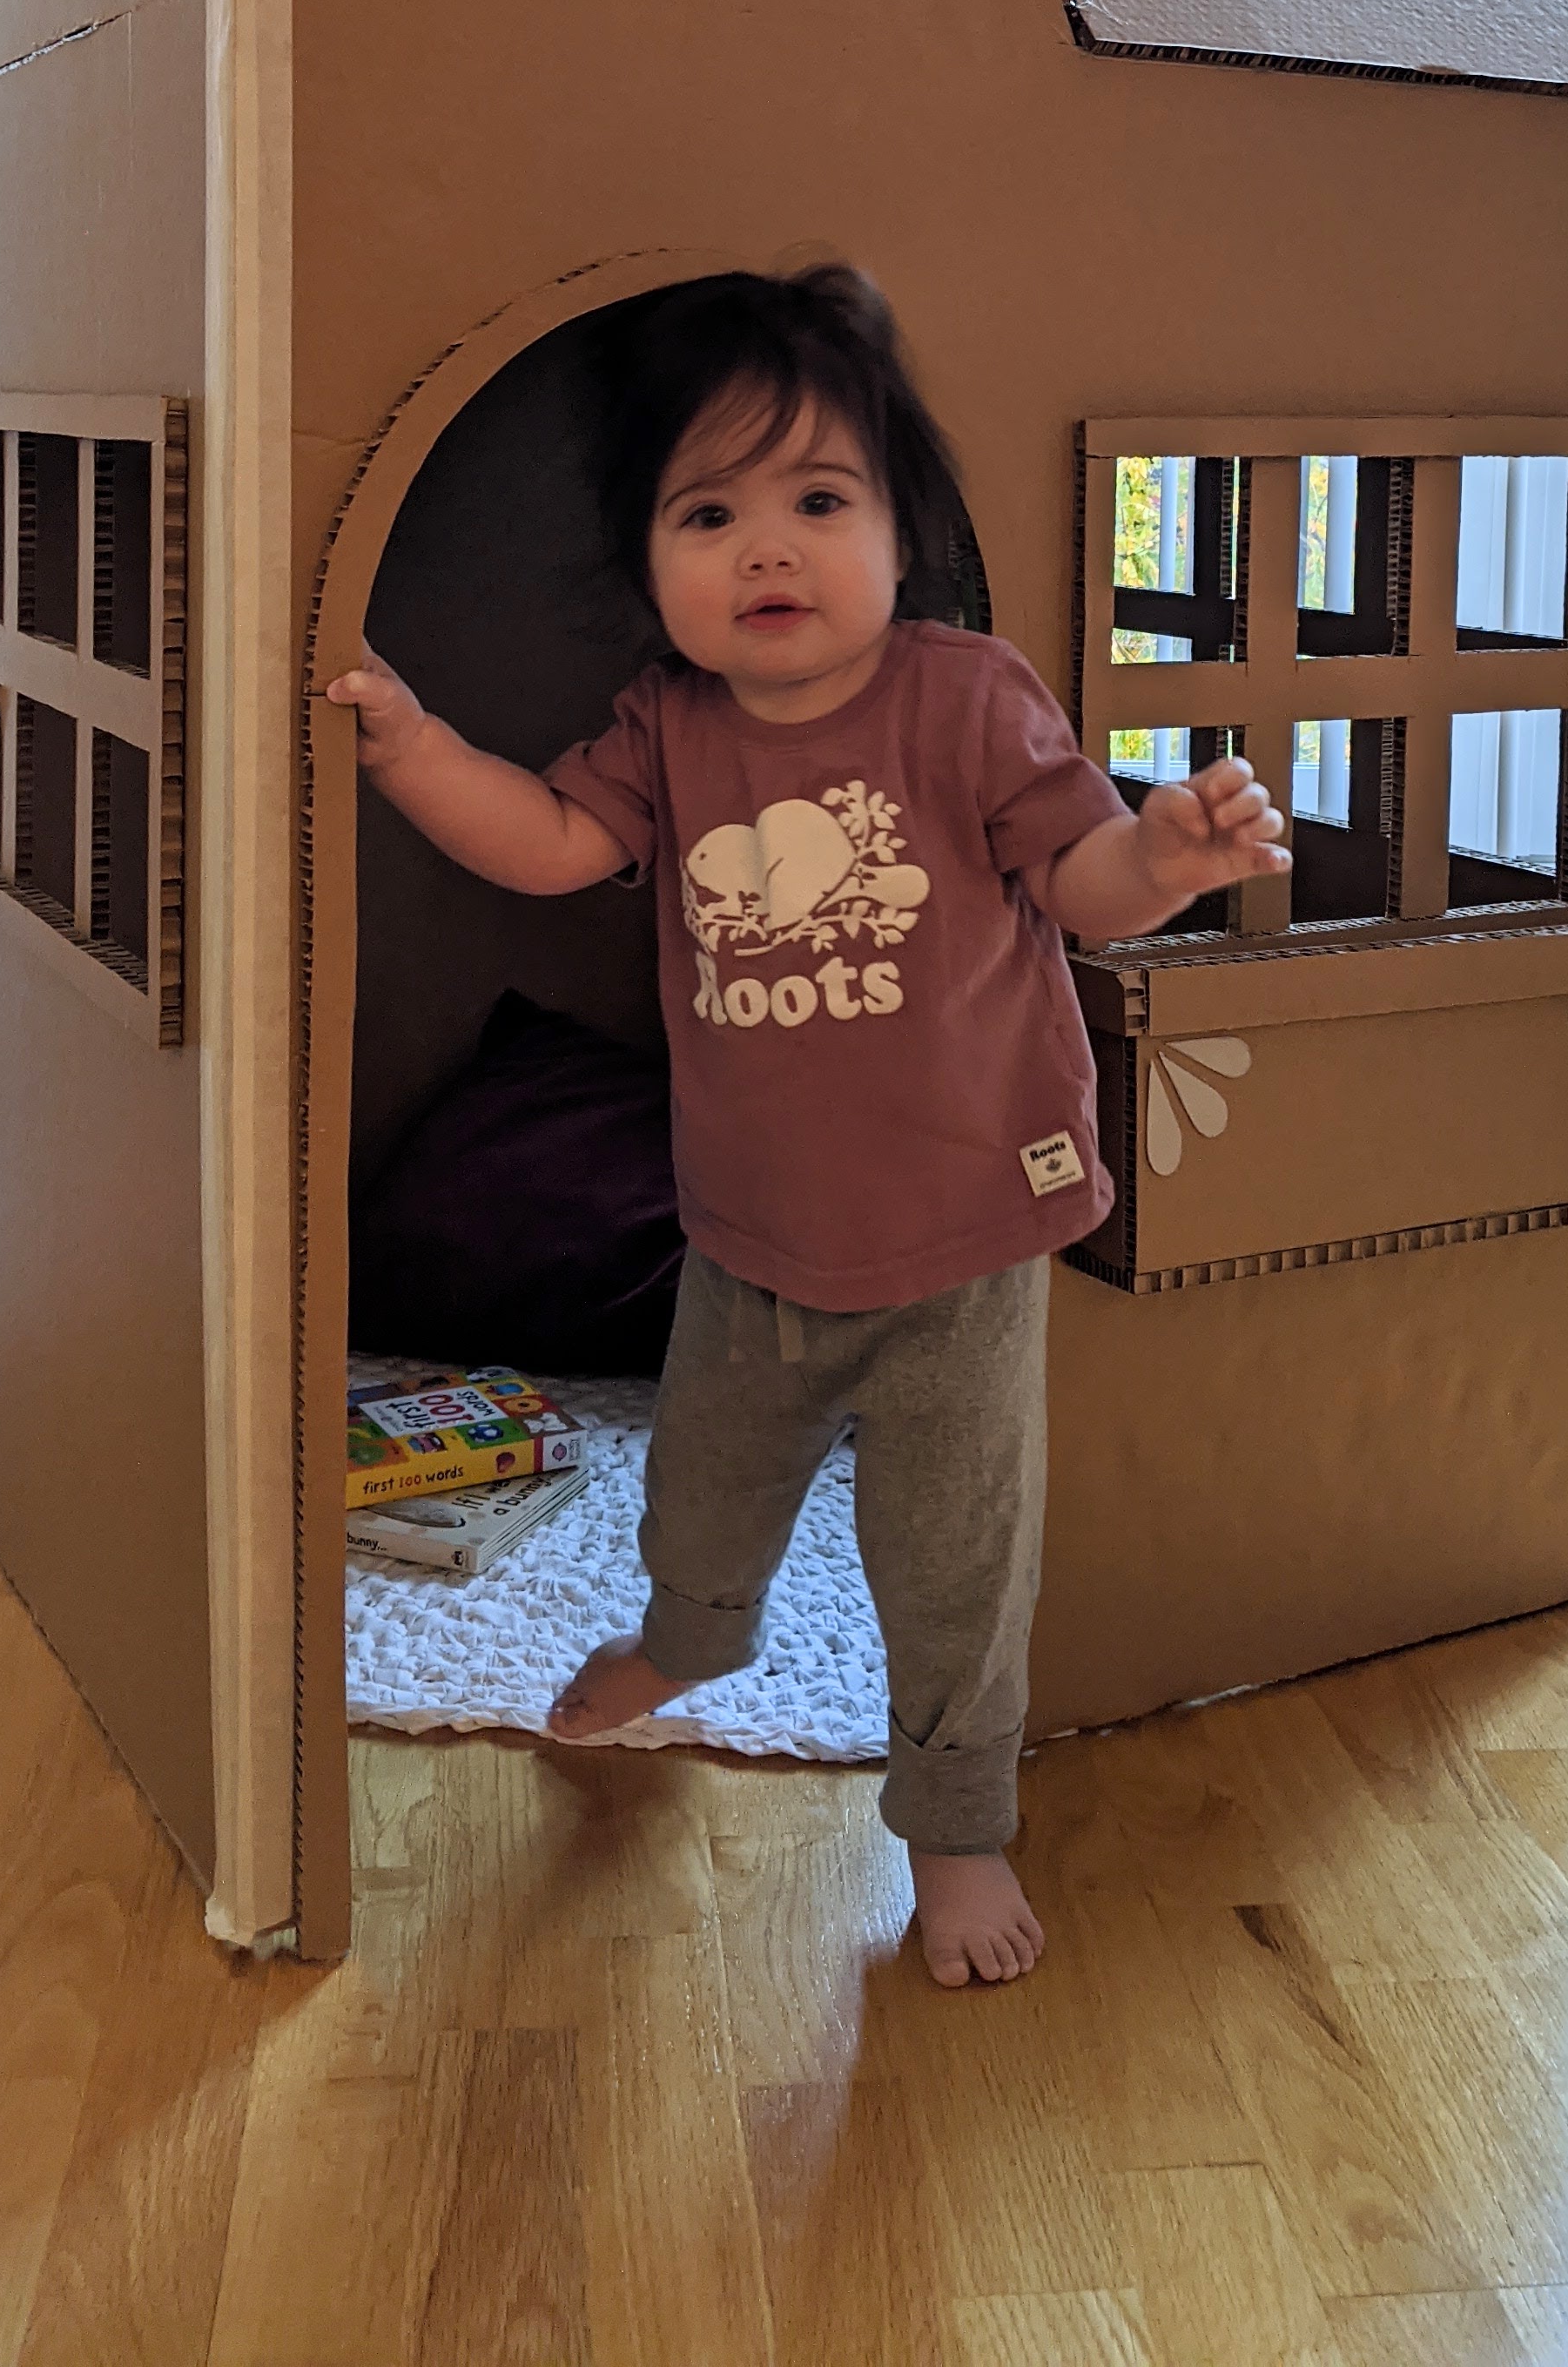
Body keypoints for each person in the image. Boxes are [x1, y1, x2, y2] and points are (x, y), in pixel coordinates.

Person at [325, 266, 1288, 1986]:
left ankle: (959, 1824)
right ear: (650, 566)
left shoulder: (968, 699)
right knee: (702, 1504)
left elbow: (1084, 883)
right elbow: (549, 842)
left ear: (901, 531)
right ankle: (690, 1641)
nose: (767, 550)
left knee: (951, 1561)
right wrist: (411, 750)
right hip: (751, 1245)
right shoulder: (671, 730)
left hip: (969, 1241)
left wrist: (1176, 854)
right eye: (711, 513)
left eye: (818, 502)